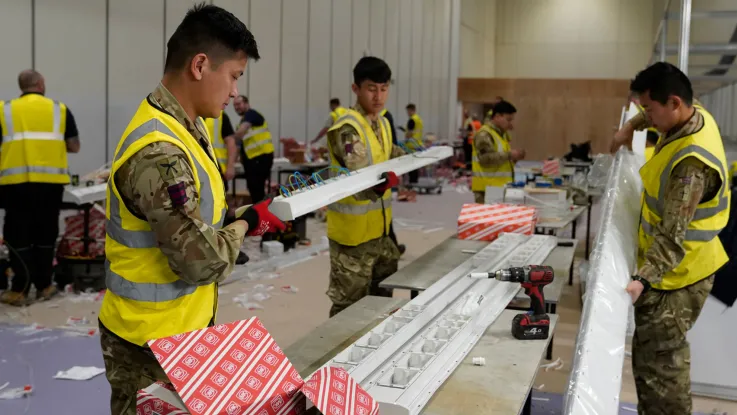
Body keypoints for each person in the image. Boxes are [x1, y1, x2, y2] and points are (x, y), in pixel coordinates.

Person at [96, 5, 285, 414]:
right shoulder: (160, 151)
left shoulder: (184, 126)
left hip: (181, 333)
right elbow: (202, 262)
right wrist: (247, 222)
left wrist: (235, 220)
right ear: (200, 65)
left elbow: (193, 220)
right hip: (148, 346)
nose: (235, 92)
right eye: (234, 76)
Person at [616, 62, 730, 415]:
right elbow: (652, 115)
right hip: (685, 265)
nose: (646, 116)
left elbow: (671, 237)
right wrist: (630, 126)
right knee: (652, 361)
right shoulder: (693, 115)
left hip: (678, 274)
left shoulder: (690, 167)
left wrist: (641, 280)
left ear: (675, 103)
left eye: (648, 109)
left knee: (662, 371)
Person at [326, 56, 405, 317]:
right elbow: (361, 172)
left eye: (384, 89)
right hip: (352, 241)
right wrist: (388, 178)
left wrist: (407, 157)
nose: (378, 96)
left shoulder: (382, 123)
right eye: (371, 88)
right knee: (349, 310)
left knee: (380, 306)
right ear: (355, 89)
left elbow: (384, 153)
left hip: (381, 233)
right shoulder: (347, 128)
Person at [0, 69, 81, 306]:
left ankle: (20, 290)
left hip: (15, 185)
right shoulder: (60, 110)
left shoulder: (5, 110)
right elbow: (74, 146)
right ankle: (45, 286)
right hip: (50, 186)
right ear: (41, 84)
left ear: (22, 86)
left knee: (17, 236)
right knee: (45, 235)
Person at [472, 100, 525, 204]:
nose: (511, 124)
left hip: (499, 188)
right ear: (497, 117)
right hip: (486, 189)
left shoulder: (502, 135)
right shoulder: (485, 134)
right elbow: (485, 159)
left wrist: (514, 158)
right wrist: (510, 154)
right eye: (508, 120)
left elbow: (500, 161)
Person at [232, 95, 273, 203]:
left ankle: (262, 214)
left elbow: (240, 133)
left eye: (239, 104)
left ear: (246, 103)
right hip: (253, 160)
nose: (237, 107)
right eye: (234, 105)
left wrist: (230, 139)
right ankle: (260, 213)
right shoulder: (242, 121)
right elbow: (241, 144)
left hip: (261, 157)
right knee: (254, 189)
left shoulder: (251, 114)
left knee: (257, 188)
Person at [379, 107, 405, 255]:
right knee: (382, 213)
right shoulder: (385, 116)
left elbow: (392, 145)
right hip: (380, 172)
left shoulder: (383, 117)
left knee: (383, 213)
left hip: (380, 173)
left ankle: (392, 247)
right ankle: (392, 247)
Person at [404, 103, 424, 183]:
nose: (407, 113)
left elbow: (410, 133)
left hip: (411, 146)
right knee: (415, 165)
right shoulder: (418, 119)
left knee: (410, 165)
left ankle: (412, 182)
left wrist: (406, 138)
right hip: (417, 144)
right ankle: (415, 181)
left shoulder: (412, 120)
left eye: (408, 111)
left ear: (411, 110)